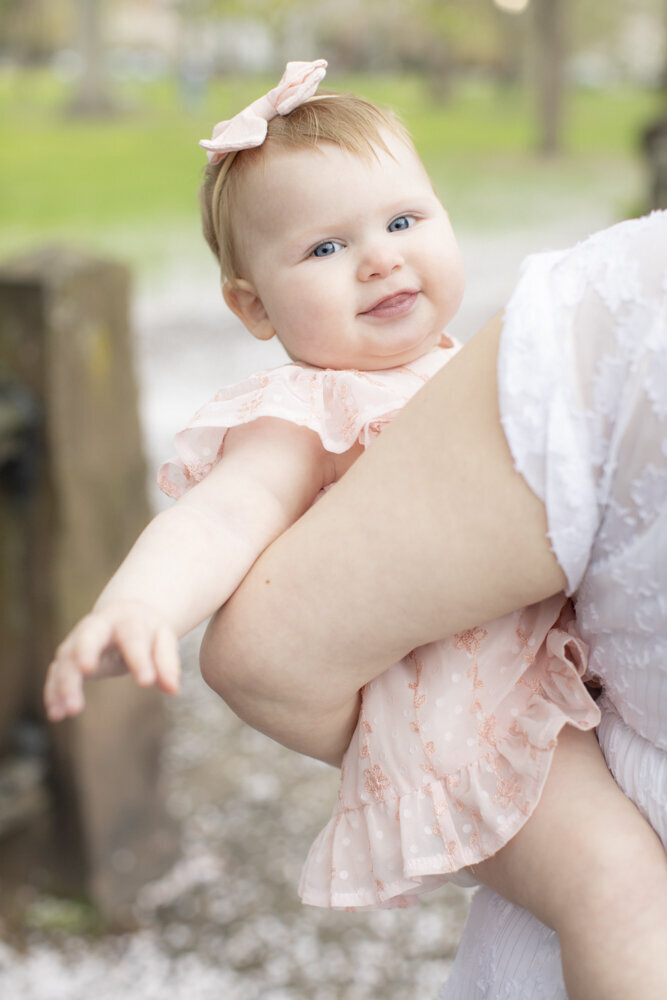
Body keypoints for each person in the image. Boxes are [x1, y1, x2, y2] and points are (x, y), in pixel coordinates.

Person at [42, 62, 666, 999]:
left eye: (404, 222)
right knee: (618, 891)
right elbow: (224, 514)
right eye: (325, 248)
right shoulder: (304, 410)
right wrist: (137, 606)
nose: (380, 258)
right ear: (251, 306)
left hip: (548, 681)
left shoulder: (481, 365)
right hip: (467, 723)